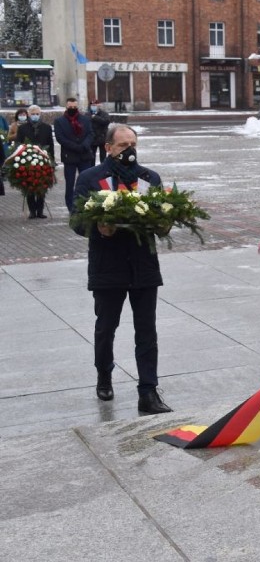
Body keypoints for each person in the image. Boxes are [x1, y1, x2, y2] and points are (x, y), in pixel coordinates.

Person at [71, 124, 172, 415]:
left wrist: (163, 223)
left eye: (133, 144)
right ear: (109, 148)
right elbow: (77, 220)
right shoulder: (91, 178)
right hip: (108, 267)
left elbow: (160, 213)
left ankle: (148, 392)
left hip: (143, 265)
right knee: (106, 328)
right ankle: (104, 374)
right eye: (122, 145)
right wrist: (99, 228)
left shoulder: (149, 178)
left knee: (147, 332)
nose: (129, 150)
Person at [54, 96, 95, 212]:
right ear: (66, 107)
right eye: (70, 107)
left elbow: (91, 134)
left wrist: (85, 145)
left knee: (86, 182)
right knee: (70, 184)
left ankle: (86, 205)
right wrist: (75, 147)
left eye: (75, 107)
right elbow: (60, 138)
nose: (72, 108)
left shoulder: (85, 119)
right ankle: (71, 207)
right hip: (69, 156)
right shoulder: (59, 121)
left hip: (84, 155)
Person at [16, 105, 56, 219]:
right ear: (29, 114)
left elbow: (51, 144)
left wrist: (51, 159)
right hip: (27, 160)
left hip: (43, 160)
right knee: (29, 186)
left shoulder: (46, 127)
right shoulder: (23, 128)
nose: (35, 116)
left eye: (37, 114)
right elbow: (19, 143)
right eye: (33, 114)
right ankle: (32, 211)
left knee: (41, 186)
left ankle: (40, 210)